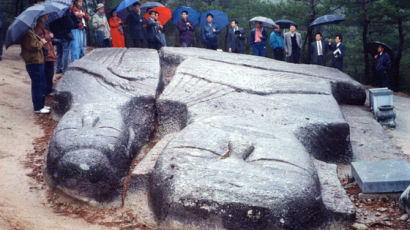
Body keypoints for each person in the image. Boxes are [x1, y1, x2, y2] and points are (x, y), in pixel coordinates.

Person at [21, 22, 50, 113]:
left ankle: (41, 105)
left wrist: (40, 41)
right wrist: (41, 42)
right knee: (37, 84)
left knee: (40, 83)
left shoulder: (31, 32)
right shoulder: (27, 34)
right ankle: (38, 107)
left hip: (37, 61)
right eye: (33, 22)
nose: (35, 23)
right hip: (33, 62)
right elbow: (33, 46)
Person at [34, 15, 57, 96]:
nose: (47, 15)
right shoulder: (38, 26)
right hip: (46, 52)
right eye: (46, 14)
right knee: (48, 72)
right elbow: (40, 38)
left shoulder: (43, 24)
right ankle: (47, 90)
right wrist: (49, 36)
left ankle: (49, 88)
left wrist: (49, 34)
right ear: (42, 16)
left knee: (50, 72)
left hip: (49, 50)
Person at [49, 2, 75, 74]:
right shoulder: (65, 13)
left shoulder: (53, 14)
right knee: (66, 52)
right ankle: (65, 70)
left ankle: (58, 69)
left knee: (59, 53)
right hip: (65, 36)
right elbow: (71, 25)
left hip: (57, 36)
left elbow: (51, 25)